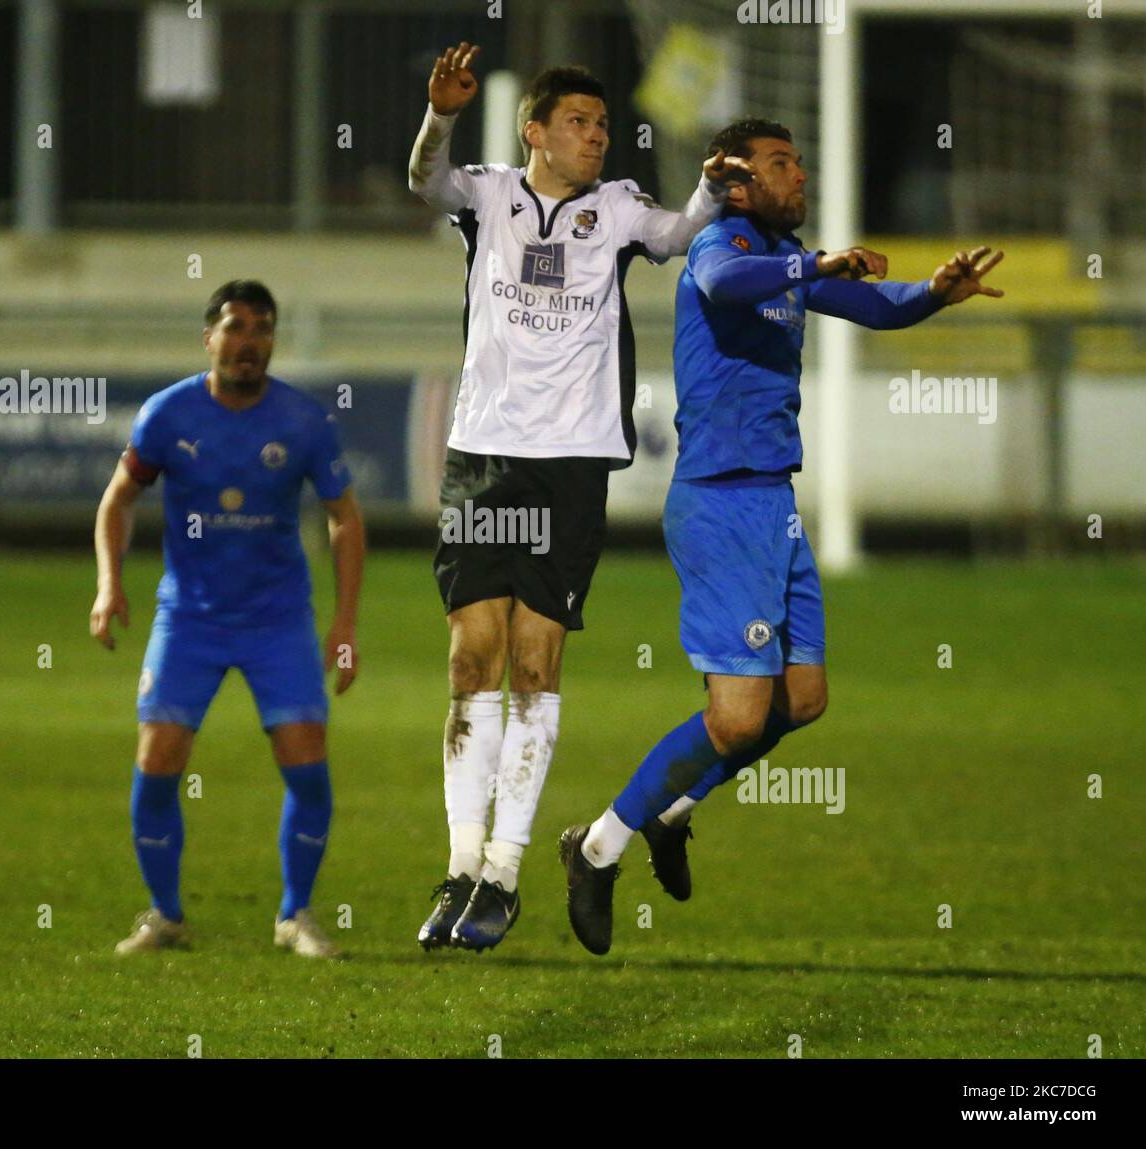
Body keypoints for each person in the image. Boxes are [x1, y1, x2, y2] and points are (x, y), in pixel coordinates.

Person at [559, 118, 1004, 955]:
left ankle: (674, 812)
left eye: (799, 164)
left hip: (774, 506)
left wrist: (935, 294)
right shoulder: (721, 245)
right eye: (780, 165)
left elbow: (877, 305)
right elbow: (725, 281)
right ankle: (596, 847)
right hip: (721, 504)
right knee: (734, 721)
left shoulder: (785, 263)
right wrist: (816, 262)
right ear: (738, 181)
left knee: (802, 700)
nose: (799, 177)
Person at [407, 43, 750, 951]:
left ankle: (507, 873)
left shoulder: (621, 208)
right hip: (482, 455)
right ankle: (460, 868)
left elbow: (678, 238)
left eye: (602, 125)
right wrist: (440, 112)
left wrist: (712, 188)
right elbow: (424, 181)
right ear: (536, 131)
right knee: (468, 661)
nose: (596, 137)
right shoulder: (487, 195)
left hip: (570, 463)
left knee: (534, 661)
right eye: (579, 124)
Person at [90, 279, 365, 959]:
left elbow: (345, 518)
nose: (249, 343)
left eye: (263, 329)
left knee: (307, 768)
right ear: (208, 336)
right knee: (157, 761)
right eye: (236, 328)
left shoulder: (302, 421)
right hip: (190, 617)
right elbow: (117, 500)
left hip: (277, 619)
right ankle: (166, 915)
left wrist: (344, 623)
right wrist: (108, 585)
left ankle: (295, 914)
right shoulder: (167, 414)